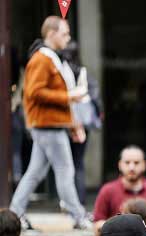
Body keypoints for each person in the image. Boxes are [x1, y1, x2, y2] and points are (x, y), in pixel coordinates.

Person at [10, 16, 90, 230]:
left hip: (48, 124)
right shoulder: (42, 59)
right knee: (65, 170)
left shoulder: (50, 58)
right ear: (51, 34)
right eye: (64, 33)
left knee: (35, 173)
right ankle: (78, 216)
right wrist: (68, 97)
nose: (68, 38)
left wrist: (72, 118)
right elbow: (34, 92)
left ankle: (15, 214)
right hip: (47, 125)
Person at [60, 41, 103, 207]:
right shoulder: (83, 72)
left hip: (64, 122)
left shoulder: (60, 72)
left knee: (64, 163)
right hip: (83, 123)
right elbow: (96, 96)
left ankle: (67, 201)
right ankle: (80, 199)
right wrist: (98, 115)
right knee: (78, 162)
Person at [93, 145, 146, 231]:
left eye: (136, 163)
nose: (131, 167)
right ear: (120, 164)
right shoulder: (107, 190)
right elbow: (97, 224)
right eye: (127, 162)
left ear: (144, 165)